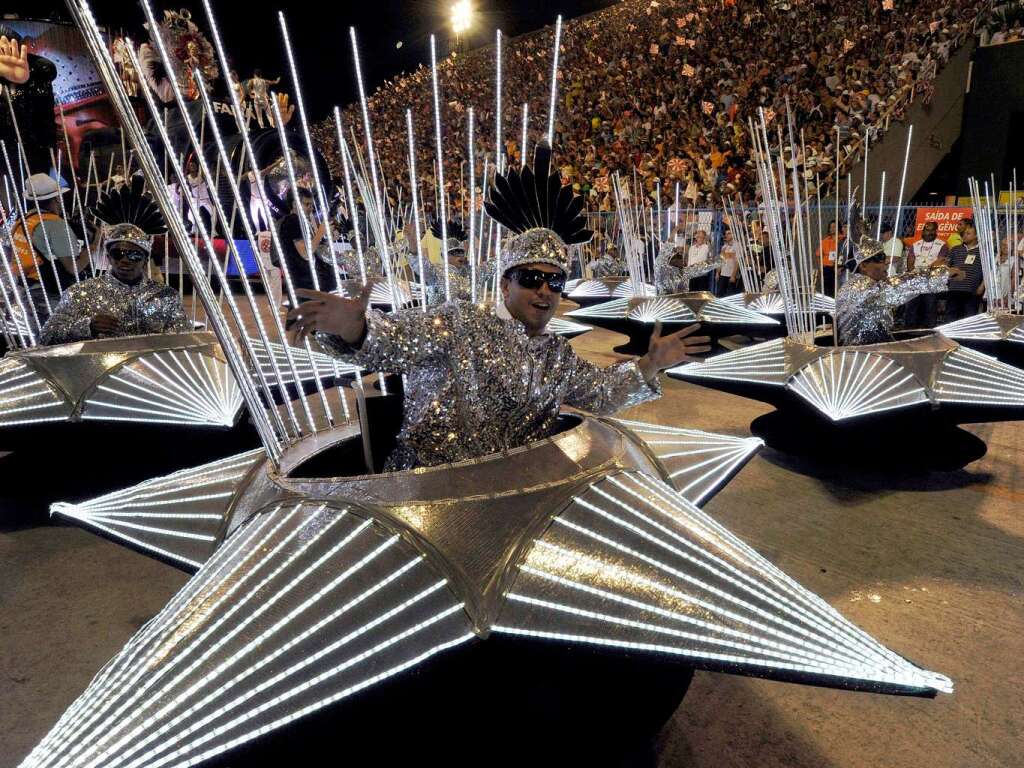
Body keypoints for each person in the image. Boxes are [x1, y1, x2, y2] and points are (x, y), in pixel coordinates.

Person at [287, 143, 711, 470]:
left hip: (516, 496)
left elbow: (597, 394)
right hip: (427, 494)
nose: (544, 291)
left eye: (555, 281)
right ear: (506, 282)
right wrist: (355, 328)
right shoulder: (459, 322)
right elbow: (396, 341)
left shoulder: (556, 356)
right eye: (531, 278)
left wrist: (649, 366)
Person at [40, 177, 190, 345]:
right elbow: (47, 336)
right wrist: (87, 326)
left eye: (134, 255)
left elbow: (183, 341)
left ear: (146, 259)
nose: (125, 260)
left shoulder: (166, 296)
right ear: (108, 256)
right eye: (118, 253)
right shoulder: (81, 293)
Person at [837, 233, 960, 346]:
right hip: (864, 356)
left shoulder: (856, 285)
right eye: (880, 258)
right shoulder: (862, 287)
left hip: (868, 350)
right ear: (863, 265)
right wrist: (941, 273)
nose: (886, 262)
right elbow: (900, 286)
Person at [10, 173, 92, 317]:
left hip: (24, 293)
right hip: (49, 295)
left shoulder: (21, 222)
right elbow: (74, 268)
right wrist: (95, 245)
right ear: (55, 199)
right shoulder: (55, 224)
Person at [903, 221, 949, 329]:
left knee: (930, 305)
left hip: (931, 280)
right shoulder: (916, 244)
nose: (929, 232)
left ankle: (929, 329)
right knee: (912, 305)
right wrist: (914, 274)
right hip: (917, 279)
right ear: (923, 231)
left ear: (936, 231)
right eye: (927, 230)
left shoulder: (942, 245)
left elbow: (941, 261)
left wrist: (927, 273)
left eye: (932, 230)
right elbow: (910, 261)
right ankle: (909, 329)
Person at [944, 220, 984, 321]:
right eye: (964, 233)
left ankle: (965, 337)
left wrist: (981, 287)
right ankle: (948, 336)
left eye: (968, 233)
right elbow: (946, 266)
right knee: (951, 317)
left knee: (968, 319)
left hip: (972, 291)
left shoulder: (982, 251)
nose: (964, 236)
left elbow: (988, 271)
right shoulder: (955, 249)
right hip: (954, 289)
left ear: (976, 236)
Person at [816, 220, 843, 297]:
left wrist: (840, 267)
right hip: (827, 268)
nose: (832, 229)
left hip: (839, 267)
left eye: (834, 227)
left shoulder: (843, 239)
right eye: (830, 227)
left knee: (839, 289)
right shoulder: (825, 241)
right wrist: (821, 267)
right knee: (827, 290)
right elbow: (818, 255)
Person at [717, 228, 739, 296]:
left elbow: (737, 262)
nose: (726, 235)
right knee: (720, 295)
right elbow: (720, 260)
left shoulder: (737, 245)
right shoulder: (724, 246)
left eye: (729, 233)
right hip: (723, 274)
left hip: (731, 275)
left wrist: (733, 275)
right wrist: (718, 272)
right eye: (726, 234)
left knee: (730, 295)